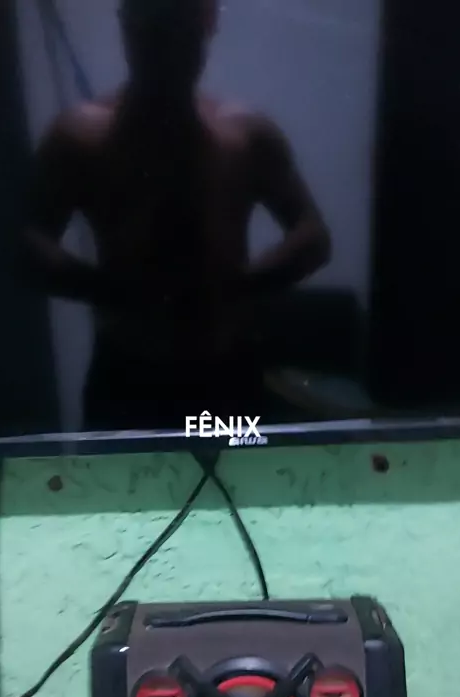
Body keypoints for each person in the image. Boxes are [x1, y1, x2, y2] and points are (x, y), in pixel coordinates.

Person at [22, 0, 331, 428]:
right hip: (128, 379)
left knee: (238, 469)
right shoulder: (80, 136)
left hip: (225, 376)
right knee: (128, 475)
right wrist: (110, 290)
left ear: (208, 22)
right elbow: (27, 243)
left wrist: (235, 285)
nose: (166, 50)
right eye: (153, 32)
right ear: (127, 28)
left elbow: (313, 235)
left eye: (180, 32)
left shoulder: (245, 133)